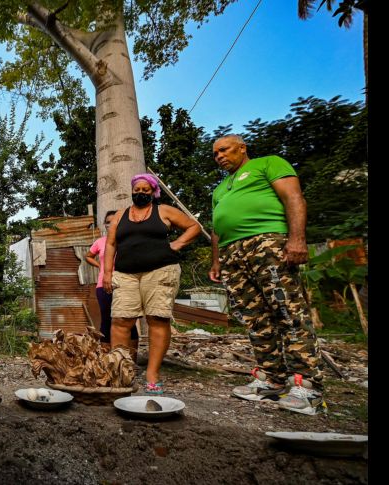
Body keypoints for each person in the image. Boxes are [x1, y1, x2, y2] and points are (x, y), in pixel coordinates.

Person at [209, 135, 326, 415]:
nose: (219, 156)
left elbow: (293, 197)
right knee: (255, 318)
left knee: (287, 310)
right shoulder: (221, 188)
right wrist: (217, 261)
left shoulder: (268, 164)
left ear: (242, 147)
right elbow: (216, 226)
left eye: (224, 150)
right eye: (215, 154)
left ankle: (307, 386)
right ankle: (271, 380)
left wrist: (297, 238)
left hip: (267, 242)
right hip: (231, 251)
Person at [103, 174, 201, 395]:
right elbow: (110, 244)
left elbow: (193, 227)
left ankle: (152, 374)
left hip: (160, 271)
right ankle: (120, 371)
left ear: (153, 191)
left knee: (157, 318)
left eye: (146, 189)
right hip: (126, 274)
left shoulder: (164, 210)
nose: (140, 192)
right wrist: (107, 273)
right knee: (120, 320)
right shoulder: (120, 215)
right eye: (137, 188)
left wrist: (177, 244)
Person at [85, 210, 140, 356]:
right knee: (106, 319)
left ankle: (131, 359)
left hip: (126, 283)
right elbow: (88, 256)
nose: (111, 224)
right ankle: (107, 359)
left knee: (128, 319)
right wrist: (99, 266)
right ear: (105, 225)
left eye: (114, 221)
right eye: (108, 222)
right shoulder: (100, 242)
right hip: (104, 285)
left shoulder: (128, 240)